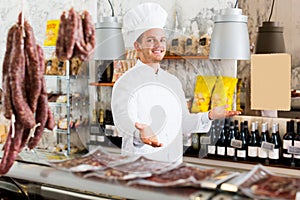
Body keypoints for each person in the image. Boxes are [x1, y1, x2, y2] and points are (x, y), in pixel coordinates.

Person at [111, 2, 241, 162]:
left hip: (172, 166)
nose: (159, 45)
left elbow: (184, 123)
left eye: (162, 40)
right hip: (140, 168)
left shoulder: (172, 81)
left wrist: (210, 115)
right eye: (151, 40)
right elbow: (124, 124)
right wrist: (140, 133)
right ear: (137, 46)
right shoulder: (125, 83)